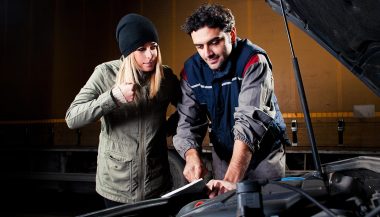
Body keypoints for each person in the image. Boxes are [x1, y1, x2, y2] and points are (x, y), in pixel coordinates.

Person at [173, 3, 289, 198]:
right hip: (224, 154)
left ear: (232, 35)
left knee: (269, 206)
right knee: (226, 206)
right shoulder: (191, 72)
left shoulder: (253, 61)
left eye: (214, 42)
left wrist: (231, 179)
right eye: (200, 46)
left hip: (264, 156)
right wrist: (191, 154)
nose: (207, 53)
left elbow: (248, 124)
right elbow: (188, 122)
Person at [65, 13, 181, 207]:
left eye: (154, 47)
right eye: (141, 49)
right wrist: (113, 98)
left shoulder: (165, 76)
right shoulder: (104, 73)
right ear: (128, 52)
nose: (150, 55)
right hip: (116, 186)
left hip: (157, 184)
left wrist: (166, 129)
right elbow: (72, 118)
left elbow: (190, 111)